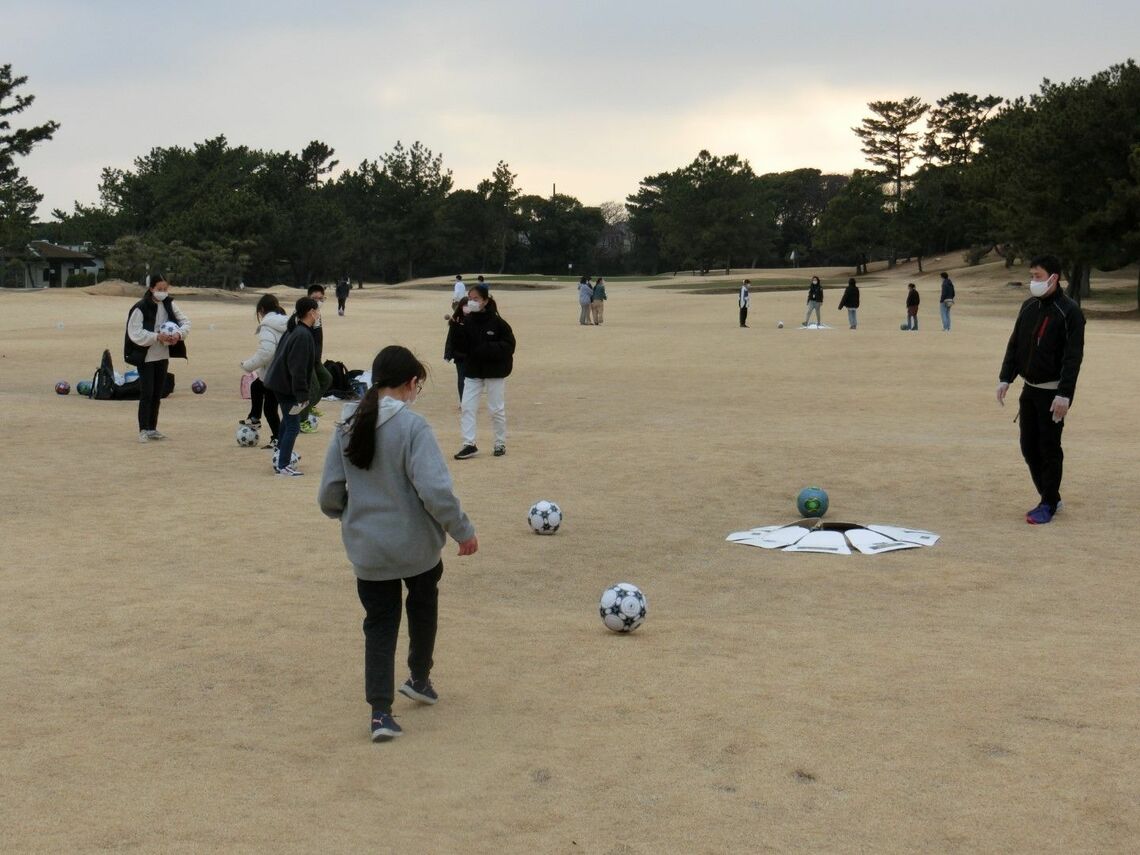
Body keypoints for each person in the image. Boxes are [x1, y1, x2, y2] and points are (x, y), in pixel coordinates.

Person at [318, 345, 478, 742]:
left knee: (379, 624)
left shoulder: (347, 423)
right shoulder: (413, 427)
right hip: (416, 548)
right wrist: (463, 530)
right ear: (410, 384)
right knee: (423, 607)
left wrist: (351, 517)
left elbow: (329, 495)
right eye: (417, 386)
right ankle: (419, 678)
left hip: (368, 550)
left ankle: (379, 713)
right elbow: (435, 491)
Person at [996, 255, 1085, 525]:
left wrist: (1064, 394)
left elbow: (1073, 358)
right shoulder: (1028, 307)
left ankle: (1047, 503)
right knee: (1028, 446)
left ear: (1053, 278)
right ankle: (1051, 496)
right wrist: (1006, 378)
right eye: (1032, 276)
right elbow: (1016, 344)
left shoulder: (1070, 312)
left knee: (1049, 447)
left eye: (1037, 276)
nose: (1032, 281)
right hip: (1030, 390)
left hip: (1052, 393)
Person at [447, 283, 516, 459]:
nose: (471, 302)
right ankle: (468, 443)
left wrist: (486, 348)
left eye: (476, 299)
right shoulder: (466, 321)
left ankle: (500, 443)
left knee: (496, 409)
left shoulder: (499, 323)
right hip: (472, 371)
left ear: (485, 301)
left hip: (495, 371)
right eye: (469, 299)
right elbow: (460, 346)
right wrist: (455, 327)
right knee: (467, 407)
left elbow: (509, 346)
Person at [124, 272, 190, 443]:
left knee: (157, 393)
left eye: (165, 289)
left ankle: (152, 428)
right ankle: (143, 429)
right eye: (159, 289)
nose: (163, 292)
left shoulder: (170, 304)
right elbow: (134, 333)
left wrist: (178, 334)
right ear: (151, 288)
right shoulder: (141, 307)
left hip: (163, 355)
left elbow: (185, 322)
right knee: (147, 393)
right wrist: (156, 336)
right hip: (146, 357)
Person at [263, 297, 320, 476]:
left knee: (287, 423)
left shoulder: (296, 329)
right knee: (293, 426)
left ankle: (280, 455)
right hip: (286, 387)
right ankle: (283, 465)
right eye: (317, 311)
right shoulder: (302, 334)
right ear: (311, 312)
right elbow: (298, 368)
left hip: (280, 384)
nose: (318, 314)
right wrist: (302, 395)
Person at [239, 294, 288, 450]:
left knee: (270, 409)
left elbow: (266, 352)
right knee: (256, 386)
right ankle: (255, 418)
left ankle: (278, 439)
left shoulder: (268, 326)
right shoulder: (286, 322)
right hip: (283, 370)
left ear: (261, 310)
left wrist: (248, 365)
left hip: (274, 372)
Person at [300, 284, 331, 431]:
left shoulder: (317, 315)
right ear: (308, 298)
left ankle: (308, 407)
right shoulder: (302, 314)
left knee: (327, 379)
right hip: (305, 359)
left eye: (321, 299)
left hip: (315, 359)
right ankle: (300, 420)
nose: (318, 301)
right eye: (315, 298)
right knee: (312, 388)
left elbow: (318, 340)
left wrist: (317, 359)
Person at [443, 296, 469, 407]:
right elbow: (450, 339)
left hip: (473, 355)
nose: (467, 308)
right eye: (465, 306)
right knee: (462, 378)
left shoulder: (477, 320)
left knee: (473, 379)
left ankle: (470, 400)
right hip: (460, 355)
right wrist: (448, 354)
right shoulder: (455, 322)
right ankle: (463, 401)